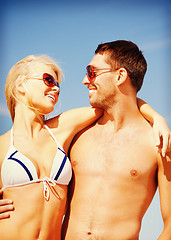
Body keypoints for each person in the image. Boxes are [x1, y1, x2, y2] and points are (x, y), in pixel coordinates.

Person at [0, 52, 170, 240]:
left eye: (57, 85)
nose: (55, 89)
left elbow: (121, 100)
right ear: (21, 85)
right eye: (48, 80)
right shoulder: (3, 145)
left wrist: (156, 117)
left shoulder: (63, 129)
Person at [61, 40, 171, 240]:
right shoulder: (76, 132)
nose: (85, 80)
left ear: (120, 76)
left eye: (91, 71)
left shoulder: (158, 142)